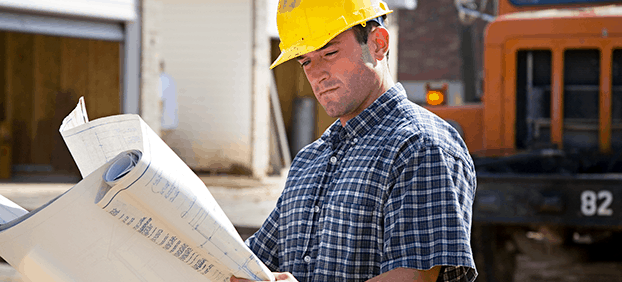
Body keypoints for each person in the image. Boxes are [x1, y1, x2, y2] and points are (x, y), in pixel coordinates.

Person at [233, 0, 477, 281]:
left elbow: (414, 278)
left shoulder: (420, 147)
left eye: (330, 52)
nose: (317, 74)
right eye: (306, 61)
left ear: (378, 44)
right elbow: (253, 259)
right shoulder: (310, 160)